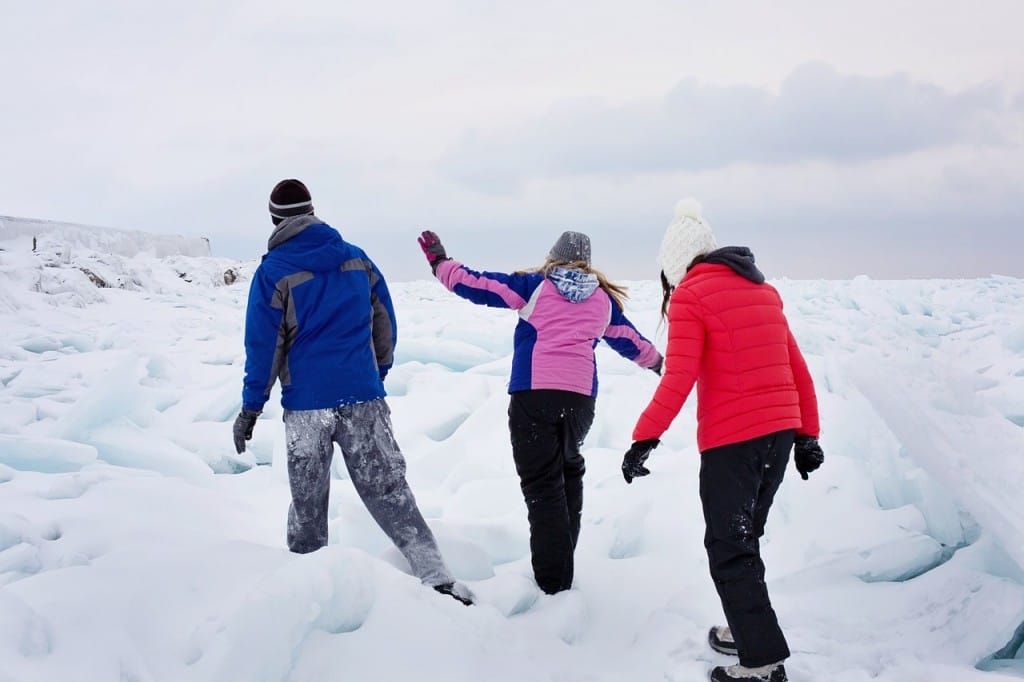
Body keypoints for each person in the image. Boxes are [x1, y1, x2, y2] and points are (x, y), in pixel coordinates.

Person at [233, 179, 472, 606]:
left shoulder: (273, 272)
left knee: (307, 505)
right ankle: (437, 578)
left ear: (274, 219)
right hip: (362, 398)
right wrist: (374, 374)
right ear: (313, 212)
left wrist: (251, 407)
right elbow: (384, 322)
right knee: (390, 491)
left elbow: (264, 347)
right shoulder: (357, 259)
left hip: (307, 408)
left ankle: (305, 596)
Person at [620, 199, 823, 682]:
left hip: (733, 441)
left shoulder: (691, 295)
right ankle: (746, 630)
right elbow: (799, 369)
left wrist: (643, 438)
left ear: (675, 263)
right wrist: (808, 434)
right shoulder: (763, 291)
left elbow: (680, 376)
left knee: (729, 546)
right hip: (776, 436)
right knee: (744, 539)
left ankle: (762, 662)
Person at [417, 229, 663, 595]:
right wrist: (662, 365)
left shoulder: (534, 286)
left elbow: (476, 285)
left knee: (542, 486)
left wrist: (439, 261)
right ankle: (562, 564)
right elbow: (633, 343)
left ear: (553, 257)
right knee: (568, 471)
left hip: (535, 396)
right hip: (579, 401)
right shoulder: (602, 302)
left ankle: (553, 583)